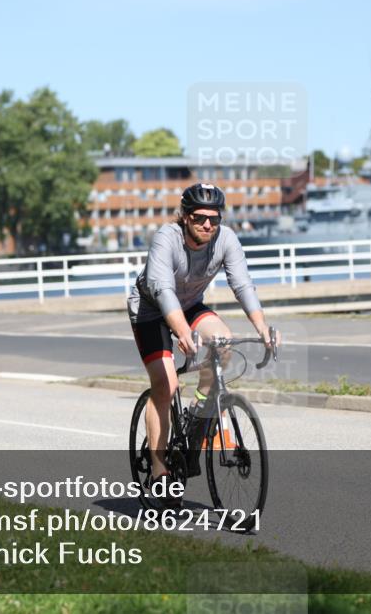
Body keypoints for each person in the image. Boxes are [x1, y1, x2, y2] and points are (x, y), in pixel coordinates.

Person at [127, 183, 277, 503]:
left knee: (224, 343)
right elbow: (162, 289)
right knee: (166, 385)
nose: (208, 224)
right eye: (199, 218)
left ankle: (199, 409)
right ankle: (159, 470)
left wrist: (262, 327)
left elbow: (242, 284)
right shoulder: (166, 239)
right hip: (151, 309)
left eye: (214, 218)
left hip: (189, 304)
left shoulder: (226, 239)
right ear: (185, 217)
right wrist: (181, 331)